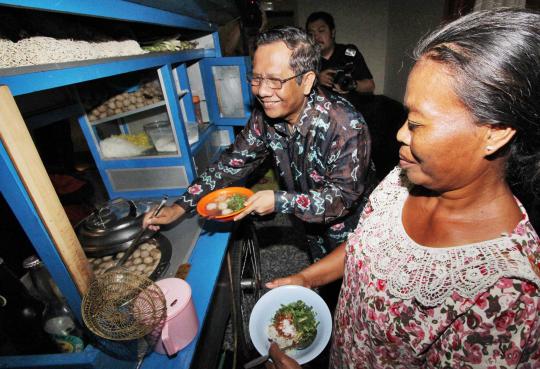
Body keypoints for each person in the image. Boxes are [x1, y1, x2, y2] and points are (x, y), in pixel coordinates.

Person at [265, 8, 540, 369]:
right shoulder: (406, 177)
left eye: (417, 123)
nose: (400, 134)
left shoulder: (506, 293)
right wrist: (307, 277)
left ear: (495, 132)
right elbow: (369, 246)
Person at [143, 26, 376, 263]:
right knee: (319, 272)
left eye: (275, 80)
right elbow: (231, 164)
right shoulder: (265, 115)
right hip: (306, 217)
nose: (262, 91)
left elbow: (341, 199)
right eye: (256, 78)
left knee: (349, 279)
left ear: (306, 82)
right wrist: (180, 207)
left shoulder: (346, 126)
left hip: (349, 226)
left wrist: (278, 200)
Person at [306, 11, 375, 107]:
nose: (316, 37)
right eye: (311, 34)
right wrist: (316, 80)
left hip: (356, 110)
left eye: (321, 31)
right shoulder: (306, 59)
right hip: (324, 115)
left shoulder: (350, 52)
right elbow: (298, 91)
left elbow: (370, 86)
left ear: (332, 32)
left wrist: (352, 84)